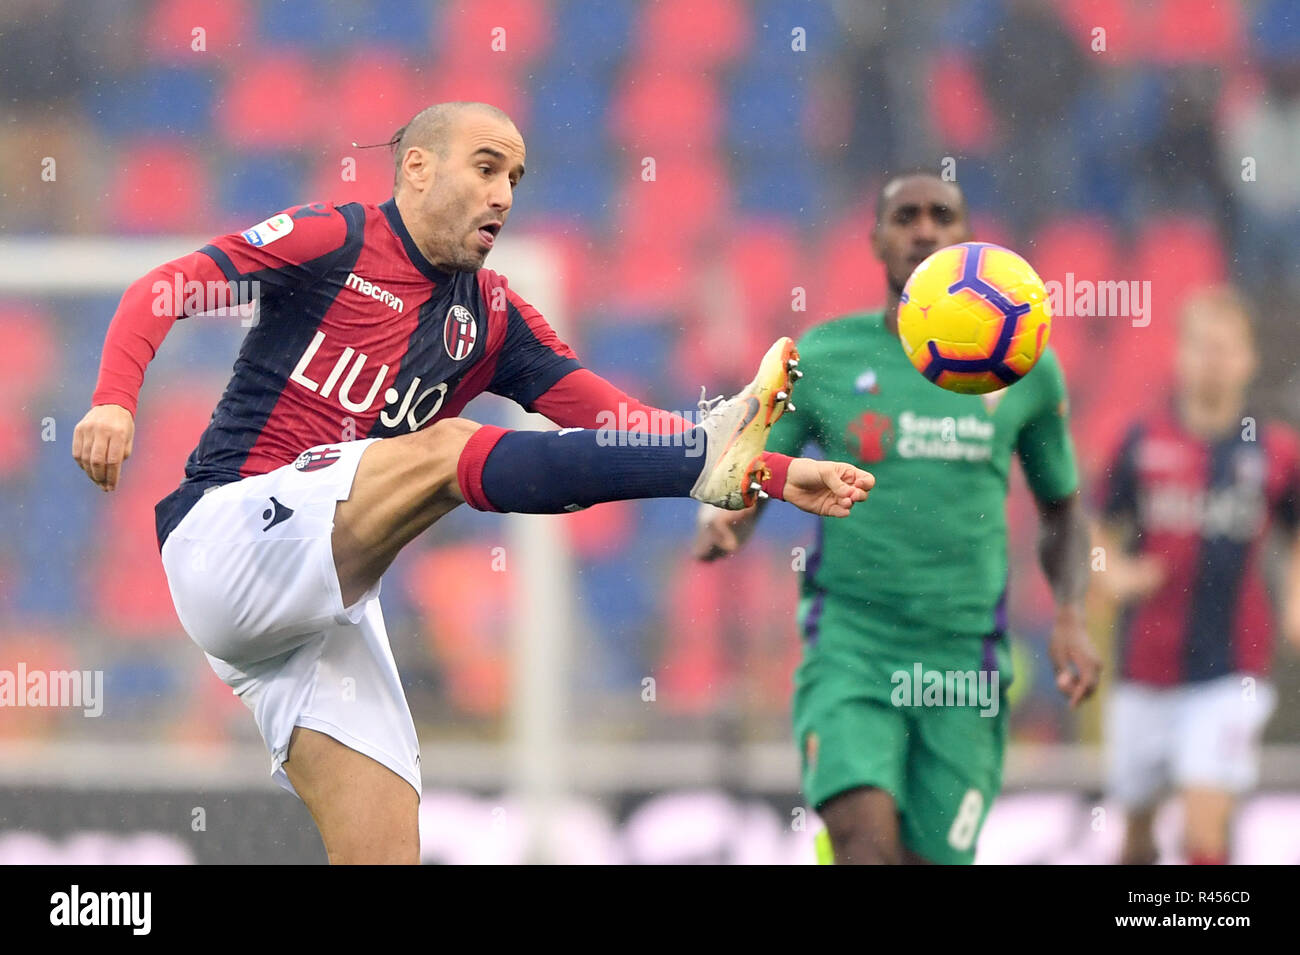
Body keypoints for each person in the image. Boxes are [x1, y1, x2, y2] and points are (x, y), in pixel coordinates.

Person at [71, 102, 874, 864]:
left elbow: (622, 427)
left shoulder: (492, 315)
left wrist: (771, 472)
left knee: (385, 845)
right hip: (229, 537)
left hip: (321, 607)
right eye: (487, 168)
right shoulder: (334, 239)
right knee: (447, 448)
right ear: (416, 168)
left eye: (516, 179)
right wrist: (113, 397)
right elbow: (166, 287)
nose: (503, 195)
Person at [693, 171, 1101, 864]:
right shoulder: (821, 358)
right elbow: (763, 468)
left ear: (966, 239)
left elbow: (1062, 510)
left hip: (964, 660)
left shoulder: (1027, 369)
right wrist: (732, 521)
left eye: (940, 214)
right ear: (876, 240)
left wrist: (1069, 615)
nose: (923, 229)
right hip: (852, 644)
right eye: (905, 216)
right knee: (864, 841)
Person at [1095, 284, 1300, 865]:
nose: (1214, 360)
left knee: (1202, 830)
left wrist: (1294, 601)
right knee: (1136, 836)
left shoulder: (1275, 451)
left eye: (1226, 348)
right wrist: (1114, 576)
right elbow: (1096, 534)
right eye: (1203, 347)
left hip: (1230, 671)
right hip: (1145, 667)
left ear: (1249, 359)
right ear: (1180, 355)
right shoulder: (1140, 443)